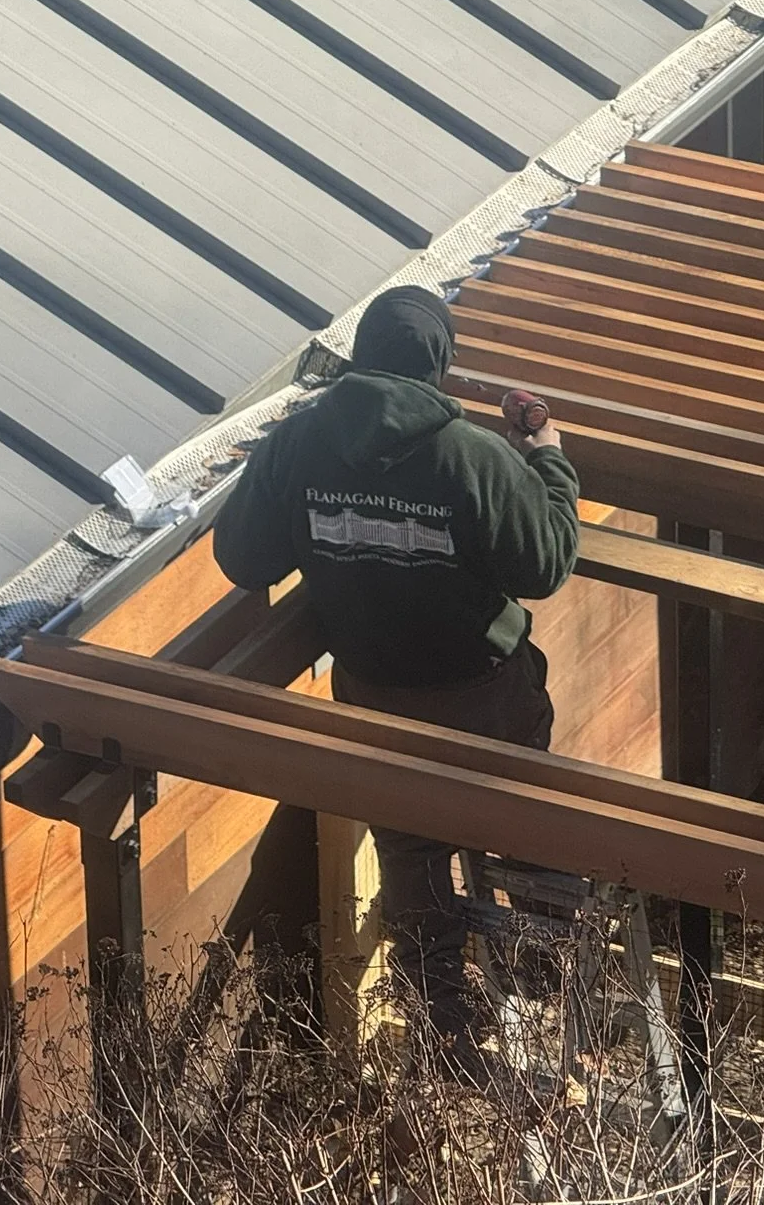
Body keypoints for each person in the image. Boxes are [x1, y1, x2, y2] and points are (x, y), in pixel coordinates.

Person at [213, 285, 578, 1054]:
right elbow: (544, 562)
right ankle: (545, 1000)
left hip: (375, 698)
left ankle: (445, 1037)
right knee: (523, 830)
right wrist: (547, 464)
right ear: (439, 365)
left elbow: (244, 557)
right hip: (486, 696)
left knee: (412, 860)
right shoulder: (472, 455)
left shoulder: (300, 441)